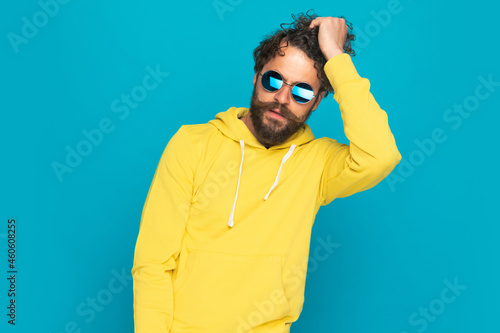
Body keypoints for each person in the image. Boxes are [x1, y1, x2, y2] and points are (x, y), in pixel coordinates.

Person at [131, 11, 401, 333]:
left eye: (301, 92)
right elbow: (153, 265)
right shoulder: (192, 144)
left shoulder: (317, 164)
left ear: (316, 102)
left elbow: (380, 155)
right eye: (273, 80)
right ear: (256, 75)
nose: (282, 99)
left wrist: (336, 59)